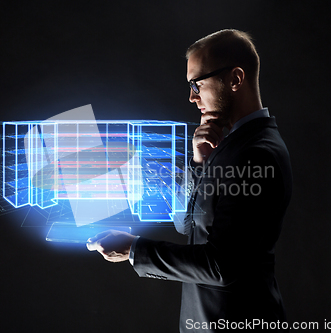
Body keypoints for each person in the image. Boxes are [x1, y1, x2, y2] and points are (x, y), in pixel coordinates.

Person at [87, 29, 293, 332]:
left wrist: (135, 250)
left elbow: (221, 265)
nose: (191, 97)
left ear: (235, 79)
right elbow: (187, 225)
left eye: (197, 84)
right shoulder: (230, 145)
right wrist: (199, 162)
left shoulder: (256, 154)